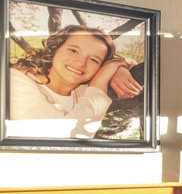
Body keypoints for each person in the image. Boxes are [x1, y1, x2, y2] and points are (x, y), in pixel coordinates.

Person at [8, 25, 141, 139]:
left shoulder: (81, 89)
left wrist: (119, 68)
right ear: (55, 49)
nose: (80, 62)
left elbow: (132, 63)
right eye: (73, 50)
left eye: (94, 60)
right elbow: (68, 136)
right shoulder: (14, 80)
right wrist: (105, 74)